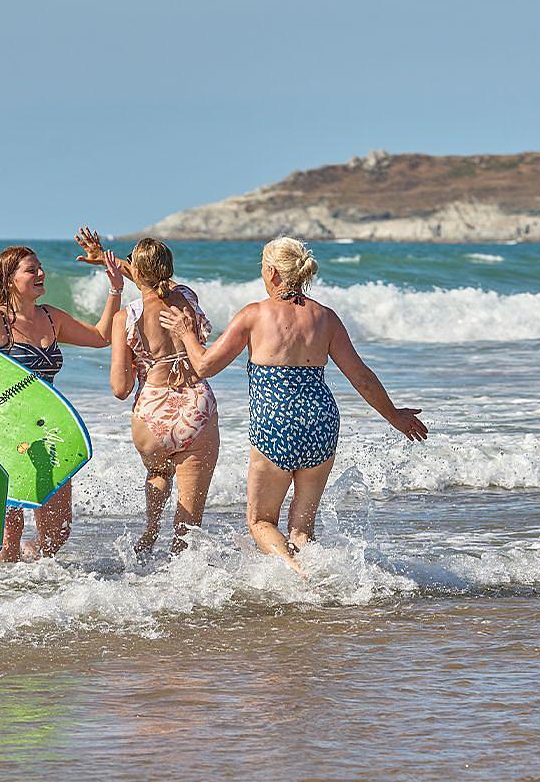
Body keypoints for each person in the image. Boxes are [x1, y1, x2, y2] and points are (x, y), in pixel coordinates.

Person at [160, 237, 427, 576]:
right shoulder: (325, 318)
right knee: (302, 528)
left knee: (260, 521)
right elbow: (360, 375)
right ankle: (313, 573)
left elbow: (204, 366)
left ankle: (297, 573)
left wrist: (185, 332)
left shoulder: (254, 315)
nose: (261, 271)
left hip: (276, 425)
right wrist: (395, 416)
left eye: (262, 265)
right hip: (321, 423)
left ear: (272, 272)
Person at [0, 231, 125, 563]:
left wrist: (115, 288)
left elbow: (102, 336)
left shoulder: (51, 317)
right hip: (4, 433)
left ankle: (28, 580)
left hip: (46, 432)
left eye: (40, 268)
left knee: (57, 532)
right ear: (9, 279)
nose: (41, 274)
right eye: (31, 270)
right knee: (8, 535)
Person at [108, 238, 220, 560]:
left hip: (152, 414)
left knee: (158, 474)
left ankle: (151, 530)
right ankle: (178, 581)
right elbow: (155, 285)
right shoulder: (186, 296)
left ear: (137, 271)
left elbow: (120, 388)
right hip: (196, 408)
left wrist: (132, 364)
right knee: (189, 524)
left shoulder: (126, 318)